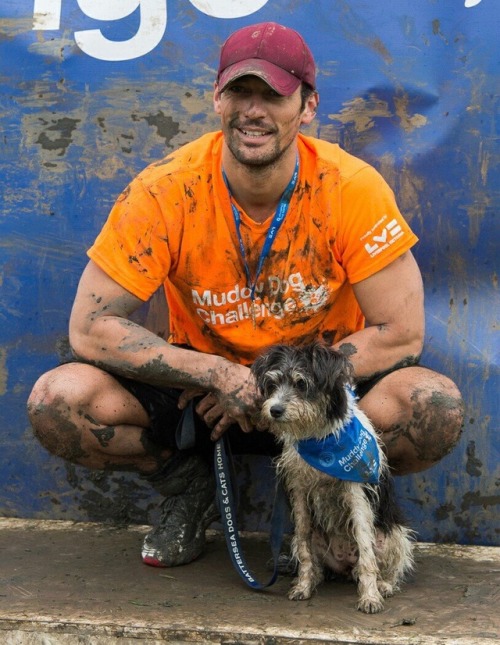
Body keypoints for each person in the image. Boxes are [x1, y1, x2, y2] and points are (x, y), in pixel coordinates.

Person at [27, 22, 464, 569]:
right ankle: (188, 487)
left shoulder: (350, 188)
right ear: (217, 97)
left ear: (307, 107)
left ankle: (311, 485)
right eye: (239, 92)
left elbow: (402, 333)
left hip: (316, 396)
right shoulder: (166, 189)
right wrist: (213, 374)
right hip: (201, 398)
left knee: (432, 406)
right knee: (59, 399)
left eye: (274, 95)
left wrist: (269, 385)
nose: (253, 111)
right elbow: (90, 327)